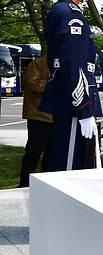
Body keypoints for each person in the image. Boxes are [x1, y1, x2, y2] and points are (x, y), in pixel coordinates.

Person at [39, 0, 103, 171]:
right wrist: (83, 109)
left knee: (63, 158)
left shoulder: (60, 11)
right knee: (67, 166)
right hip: (73, 104)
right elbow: (73, 65)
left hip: (67, 100)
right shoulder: (70, 15)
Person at [18, 56, 53, 187]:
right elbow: (33, 84)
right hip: (38, 117)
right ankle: (24, 183)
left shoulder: (59, 64)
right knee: (33, 153)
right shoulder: (38, 63)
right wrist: (53, 82)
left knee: (50, 154)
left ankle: (45, 183)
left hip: (54, 117)